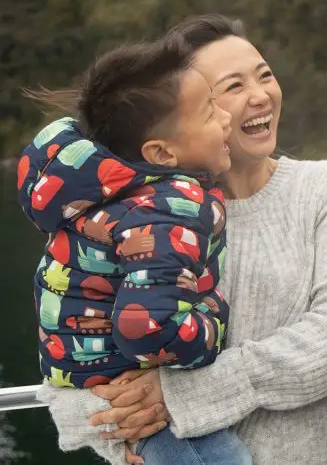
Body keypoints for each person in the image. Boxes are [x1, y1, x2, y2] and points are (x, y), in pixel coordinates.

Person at [42, 15, 327, 465]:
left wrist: (182, 395)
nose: (260, 96)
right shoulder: (142, 219)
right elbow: (69, 356)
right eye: (231, 88)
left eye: (264, 75)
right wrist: (122, 433)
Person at [18, 36, 248, 465]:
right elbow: (147, 327)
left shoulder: (109, 189)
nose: (226, 117)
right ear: (162, 153)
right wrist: (212, 326)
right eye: (210, 110)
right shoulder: (171, 206)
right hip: (126, 387)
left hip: (83, 369)